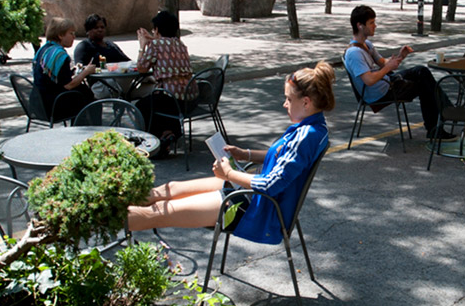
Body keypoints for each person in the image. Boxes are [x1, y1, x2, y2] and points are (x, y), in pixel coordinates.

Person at [128, 61, 335, 241]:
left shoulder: (305, 135)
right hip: (254, 196)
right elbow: (284, 158)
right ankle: (114, 203)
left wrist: (228, 174)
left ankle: (103, 217)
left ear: (306, 102)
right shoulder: (314, 128)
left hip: (257, 209)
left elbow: (270, 185)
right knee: (170, 190)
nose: (284, 104)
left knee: (161, 213)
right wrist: (244, 154)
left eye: (289, 99)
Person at [344, 5, 455, 140]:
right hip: (380, 93)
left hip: (386, 81)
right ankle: (442, 119)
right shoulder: (354, 53)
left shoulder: (367, 44)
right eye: (371, 23)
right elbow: (369, 80)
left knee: (421, 71)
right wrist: (387, 68)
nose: (375, 26)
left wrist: (400, 56)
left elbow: (383, 63)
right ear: (360, 25)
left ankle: (445, 113)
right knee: (425, 85)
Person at [135, 11, 197, 148]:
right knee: (154, 100)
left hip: (171, 98)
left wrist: (142, 46)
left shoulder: (155, 46)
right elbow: (165, 46)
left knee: (141, 106)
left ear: (157, 29)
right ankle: (170, 132)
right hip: (189, 97)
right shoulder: (180, 44)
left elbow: (141, 68)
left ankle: (156, 140)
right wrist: (152, 39)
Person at [33, 17, 95, 120]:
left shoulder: (43, 50)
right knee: (90, 100)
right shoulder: (59, 55)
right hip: (54, 106)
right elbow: (69, 85)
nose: (74, 37)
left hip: (37, 105)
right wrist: (86, 72)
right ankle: (88, 132)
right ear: (60, 35)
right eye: (71, 33)